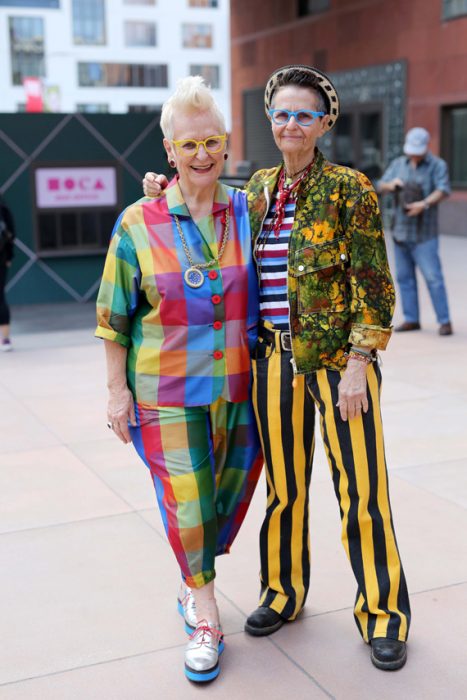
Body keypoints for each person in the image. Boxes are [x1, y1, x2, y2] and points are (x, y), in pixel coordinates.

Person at [143, 64, 411, 672]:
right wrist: (164, 182)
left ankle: (383, 615)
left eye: (304, 114)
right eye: (282, 113)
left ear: (324, 123)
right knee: (284, 489)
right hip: (270, 363)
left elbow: (374, 283)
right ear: (271, 122)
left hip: (341, 364)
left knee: (362, 490)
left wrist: (360, 361)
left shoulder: (350, 189)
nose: (292, 123)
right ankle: (283, 594)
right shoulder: (258, 189)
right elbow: (202, 196)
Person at [96, 76, 262, 684]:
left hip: (236, 386)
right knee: (188, 499)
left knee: (224, 497)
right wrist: (116, 392)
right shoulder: (137, 222)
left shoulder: (249, 208)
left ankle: (192, 582)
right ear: (168, 150)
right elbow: (114, 316)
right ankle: (208, 619)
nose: (201, 155)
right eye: (187, 144)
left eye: (211, 141)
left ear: (226, 143)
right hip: (162, 390)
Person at [377, 127, 453, 336]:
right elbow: (380, 185)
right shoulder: (398, 164)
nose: (413, 154)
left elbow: (443, 189)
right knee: (404, 278)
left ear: (426, 147)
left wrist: (425, 203)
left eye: (417, 150)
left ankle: (444, 321)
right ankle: (411, 319)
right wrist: (392, 185)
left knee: (433, 278)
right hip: (400, 230)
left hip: (424, 233)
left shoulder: (437, 165)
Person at [0, 195, 15, 352]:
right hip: (2, 259)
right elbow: (11, 233)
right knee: (0, 296)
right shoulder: (3, 206)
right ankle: (5, 338)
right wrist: (9, 256)